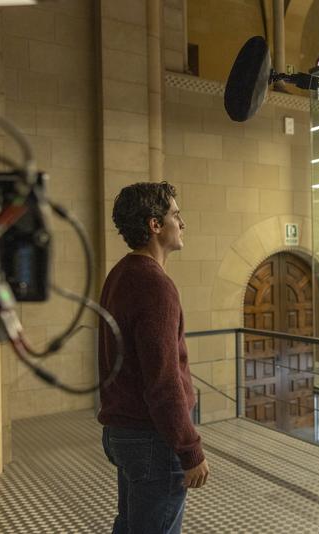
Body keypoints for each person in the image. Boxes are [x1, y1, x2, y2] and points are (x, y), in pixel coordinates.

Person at [97, 181, 209, 534]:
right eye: (176, 214)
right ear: (154, 225)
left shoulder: (120, 274)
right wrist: (190, 450)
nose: (182, 223)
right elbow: (163, 380)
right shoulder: (155, 285)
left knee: (130, 526)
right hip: (152, 439)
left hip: (125, 432)